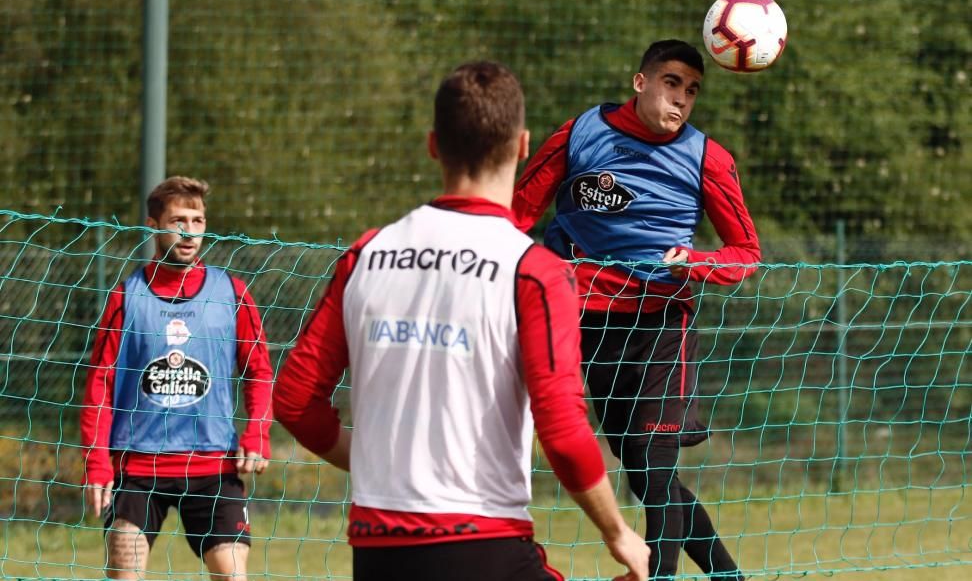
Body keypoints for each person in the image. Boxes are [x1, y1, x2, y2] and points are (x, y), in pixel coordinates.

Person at [273, 61, 648, 581]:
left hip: (378, 547)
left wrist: (378, 463)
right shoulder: (534, 271)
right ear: (522, 145)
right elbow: (562, 429)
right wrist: (618, 532)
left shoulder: (367, 254)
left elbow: (293, 400)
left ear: (433, 144)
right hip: (482, 539)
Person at [512, 40, 759, 581]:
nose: (682, 100)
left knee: (654, 458)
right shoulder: (580, 134)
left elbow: (745, 255)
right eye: (672, 83)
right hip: (588, 321)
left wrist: (694, 264)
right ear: (640, 82)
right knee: (647, 476)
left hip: (663, 321)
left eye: (692, 91)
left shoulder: (707, 157)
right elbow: (514, 216)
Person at [80, 176, 274, 580]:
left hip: (213, 466)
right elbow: (100, 383)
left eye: (198, 220)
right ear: (153, 226)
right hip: (138, 466)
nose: (189, 232)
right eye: (178, 220)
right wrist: (97, 461)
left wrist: (257, 432)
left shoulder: (232, 294)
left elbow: (259, 371)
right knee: (123, 571)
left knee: (232, 575)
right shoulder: (125, 297)